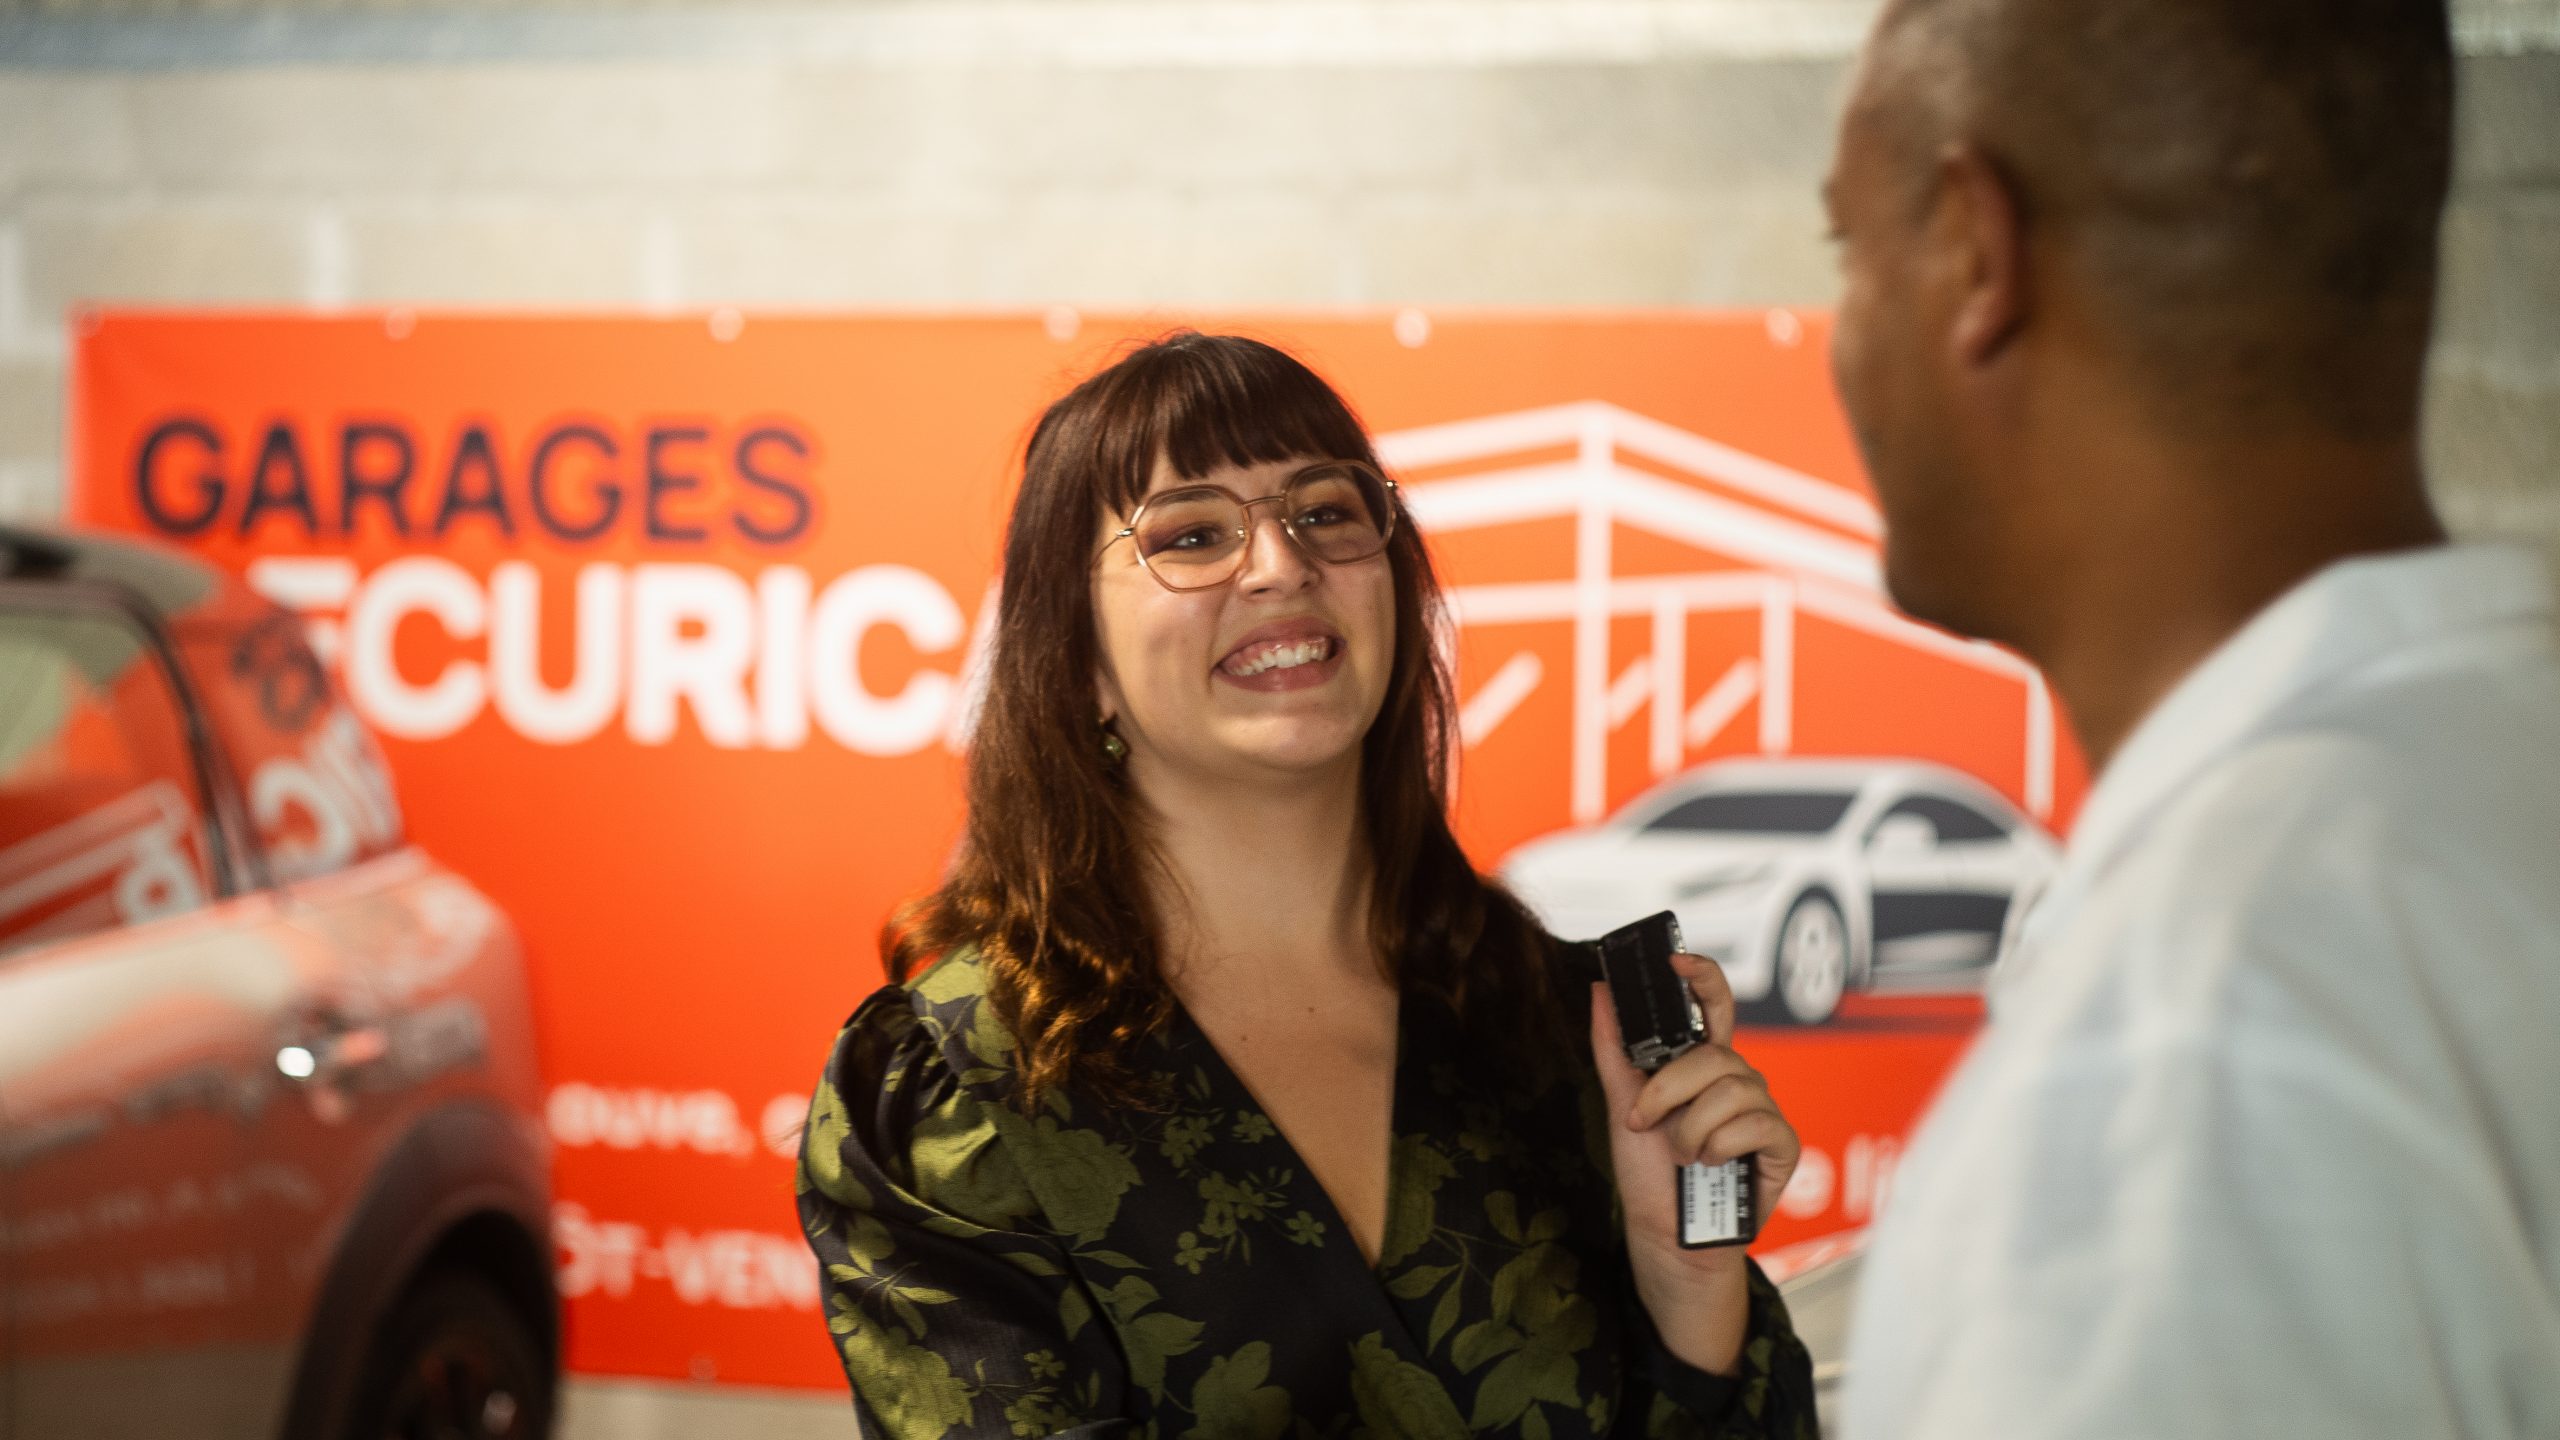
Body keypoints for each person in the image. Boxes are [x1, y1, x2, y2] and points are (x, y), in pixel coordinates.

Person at [794, 333, 1820, 1438]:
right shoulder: (956, 1086)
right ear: (1078, 661)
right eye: (1191, 534)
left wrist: (1688, 1287)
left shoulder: (1560, 1025)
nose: (1281, 564)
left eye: (1325, 512)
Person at [1822, 1, 2560, 1436]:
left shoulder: (2179, 1068)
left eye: (1847, 248)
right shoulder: (2500, 777)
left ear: (1974, 254)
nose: (1841, 328)